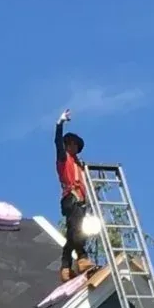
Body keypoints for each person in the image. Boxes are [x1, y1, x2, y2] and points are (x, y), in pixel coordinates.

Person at [55, 108, 93, 280]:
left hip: (80, 200)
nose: (75, 147)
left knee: (72, 233)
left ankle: (65, 267)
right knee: (78, 230)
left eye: (76, 145)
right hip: (71, 197)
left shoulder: (79, 164)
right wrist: (60, 123)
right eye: (72, 144)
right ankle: (82, 257)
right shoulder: (64, 159)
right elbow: (57, 143)